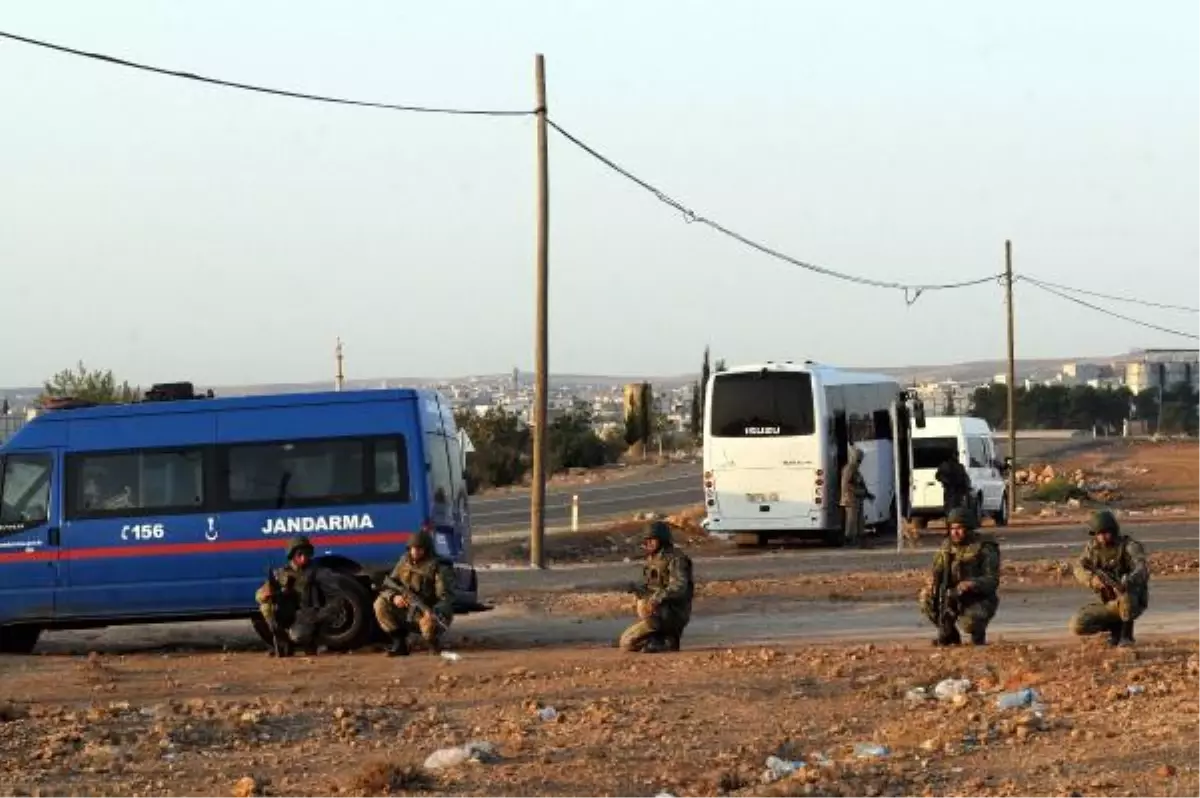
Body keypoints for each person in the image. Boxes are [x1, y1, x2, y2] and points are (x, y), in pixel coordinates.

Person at [918, 507, 1000, 646]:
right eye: (952, 528)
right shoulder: (946, 547)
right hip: (951, 594)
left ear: (968, 528)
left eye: (959, 528)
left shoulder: (984, 547)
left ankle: (978, 636)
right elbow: (937, 570)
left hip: (977, 597)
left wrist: (972, 584)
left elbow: (992, 580)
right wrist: (932, 582)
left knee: (970, 624)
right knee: (927, 598)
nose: (955, 532)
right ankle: (949, 633)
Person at [1069, 510, 1149, 647]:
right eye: (1099, 534)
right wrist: (1092, 580)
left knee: (1126, 597)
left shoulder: (1129, 546)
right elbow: (1078, 567)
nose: (1102, 537)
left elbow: (1141, 567)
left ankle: (1126, 637)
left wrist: (1129, 580)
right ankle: (1114, 631)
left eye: (1106, 533)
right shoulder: (1093, 548)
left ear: (1114, 531)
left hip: (1132, 600)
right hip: (1108, 602)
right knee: (1078, 624)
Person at [374, 529, 456, 656]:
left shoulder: (437, 567)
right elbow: (388, 585)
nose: (415, 552)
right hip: (407, 607)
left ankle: (433, 645)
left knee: (429, 624)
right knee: (380, 604)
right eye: (412, 548)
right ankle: (399, 644)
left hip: (429, 610)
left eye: (419, 549)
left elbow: (446, 597)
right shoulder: (404, 562)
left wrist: (434, 611)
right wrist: (394, 597)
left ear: (426, 549)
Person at [618, 521, 695, 653]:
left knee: (627, 643)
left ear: (662, 539)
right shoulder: (654, 558)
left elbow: (680, 586)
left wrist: (656, 598)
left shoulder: (676, 559)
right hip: (660, 613)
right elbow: (653, 585)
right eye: (646, 540)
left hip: (673, 612)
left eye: (652, 540)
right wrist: (638, 590)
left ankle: (666, 640)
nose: (648, 544)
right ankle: (658, 639)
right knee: (626, 642)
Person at [255, 535, 329, 657]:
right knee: (265, 608)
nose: (303, 557)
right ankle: (282, 642)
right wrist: (267, 594)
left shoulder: (316, 572)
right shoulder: (281, 574)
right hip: (288, 615)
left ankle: (313, 643)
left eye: (306, 554)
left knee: (299, 635)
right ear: (292, 555)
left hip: (307, 616)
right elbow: (259, 595)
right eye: (300, 554)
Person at [839, 447, 874, 546]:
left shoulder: (855, 469)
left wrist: (867, 494)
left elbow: (860, 484)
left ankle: (860, 540)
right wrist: (852, 493)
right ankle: (849, 540)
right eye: (859, 459)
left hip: (857, 498)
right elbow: (846, 484)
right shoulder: (849, 469)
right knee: (851, 520)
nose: (860, 461)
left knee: (859, 520)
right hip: (851, 498)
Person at [935, 454, 972, 518]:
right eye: (956, 456)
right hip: (951, 489)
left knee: (955, 505)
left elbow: (965, 478)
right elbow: (939, 476)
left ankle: (953, 518)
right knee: (951, 505)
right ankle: (951, 518)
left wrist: (966, 488)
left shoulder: (959, 466)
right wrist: (946, 481)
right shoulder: (946, 465)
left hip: (957, 489)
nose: (957, 457)